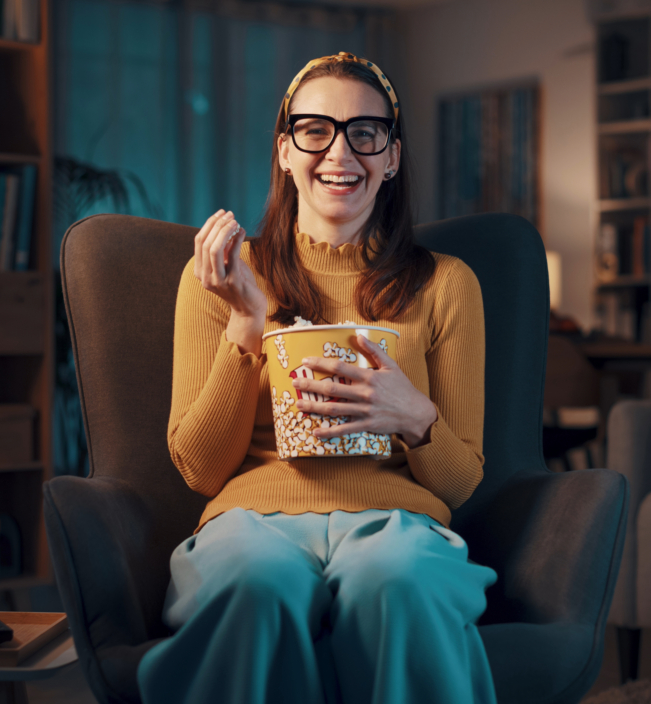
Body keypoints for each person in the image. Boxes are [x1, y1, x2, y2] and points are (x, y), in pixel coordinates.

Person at [136, 52, 497, 704]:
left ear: (390, 156)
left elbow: (461, 482)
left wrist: (412, 416)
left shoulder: (447, 285)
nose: (340, 152)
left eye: (365, 132)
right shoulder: (221, 275)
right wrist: (248, 325)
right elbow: (199, 470)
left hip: (397, 521)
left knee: (399, 577)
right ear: (284, 150)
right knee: (256, 579)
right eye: (315, 129)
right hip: (251, 519)